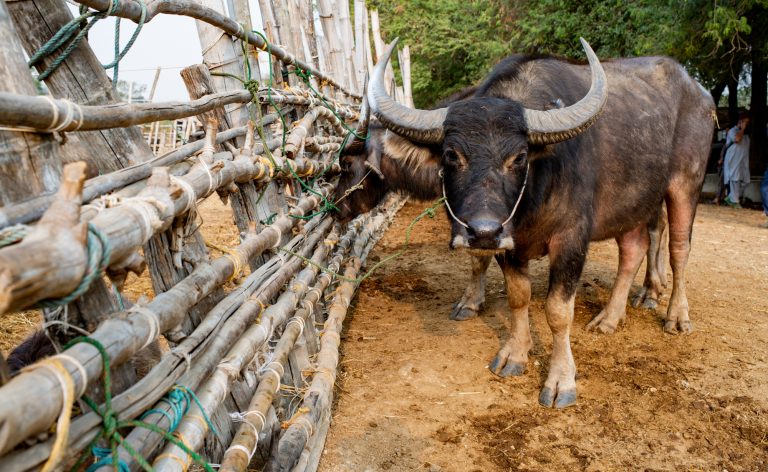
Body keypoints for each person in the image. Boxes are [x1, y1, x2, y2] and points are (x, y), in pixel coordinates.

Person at [721, 113, 750, 208]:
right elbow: (737, 139)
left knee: (746, 181)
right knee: (734, 179)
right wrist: (742, 129)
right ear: (740, 121)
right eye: (745, 122)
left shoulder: (746, 136)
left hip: (743, 161)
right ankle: (734, 200)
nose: (747, 124)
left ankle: (731, 197)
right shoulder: (733, 131)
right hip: (733, 160)